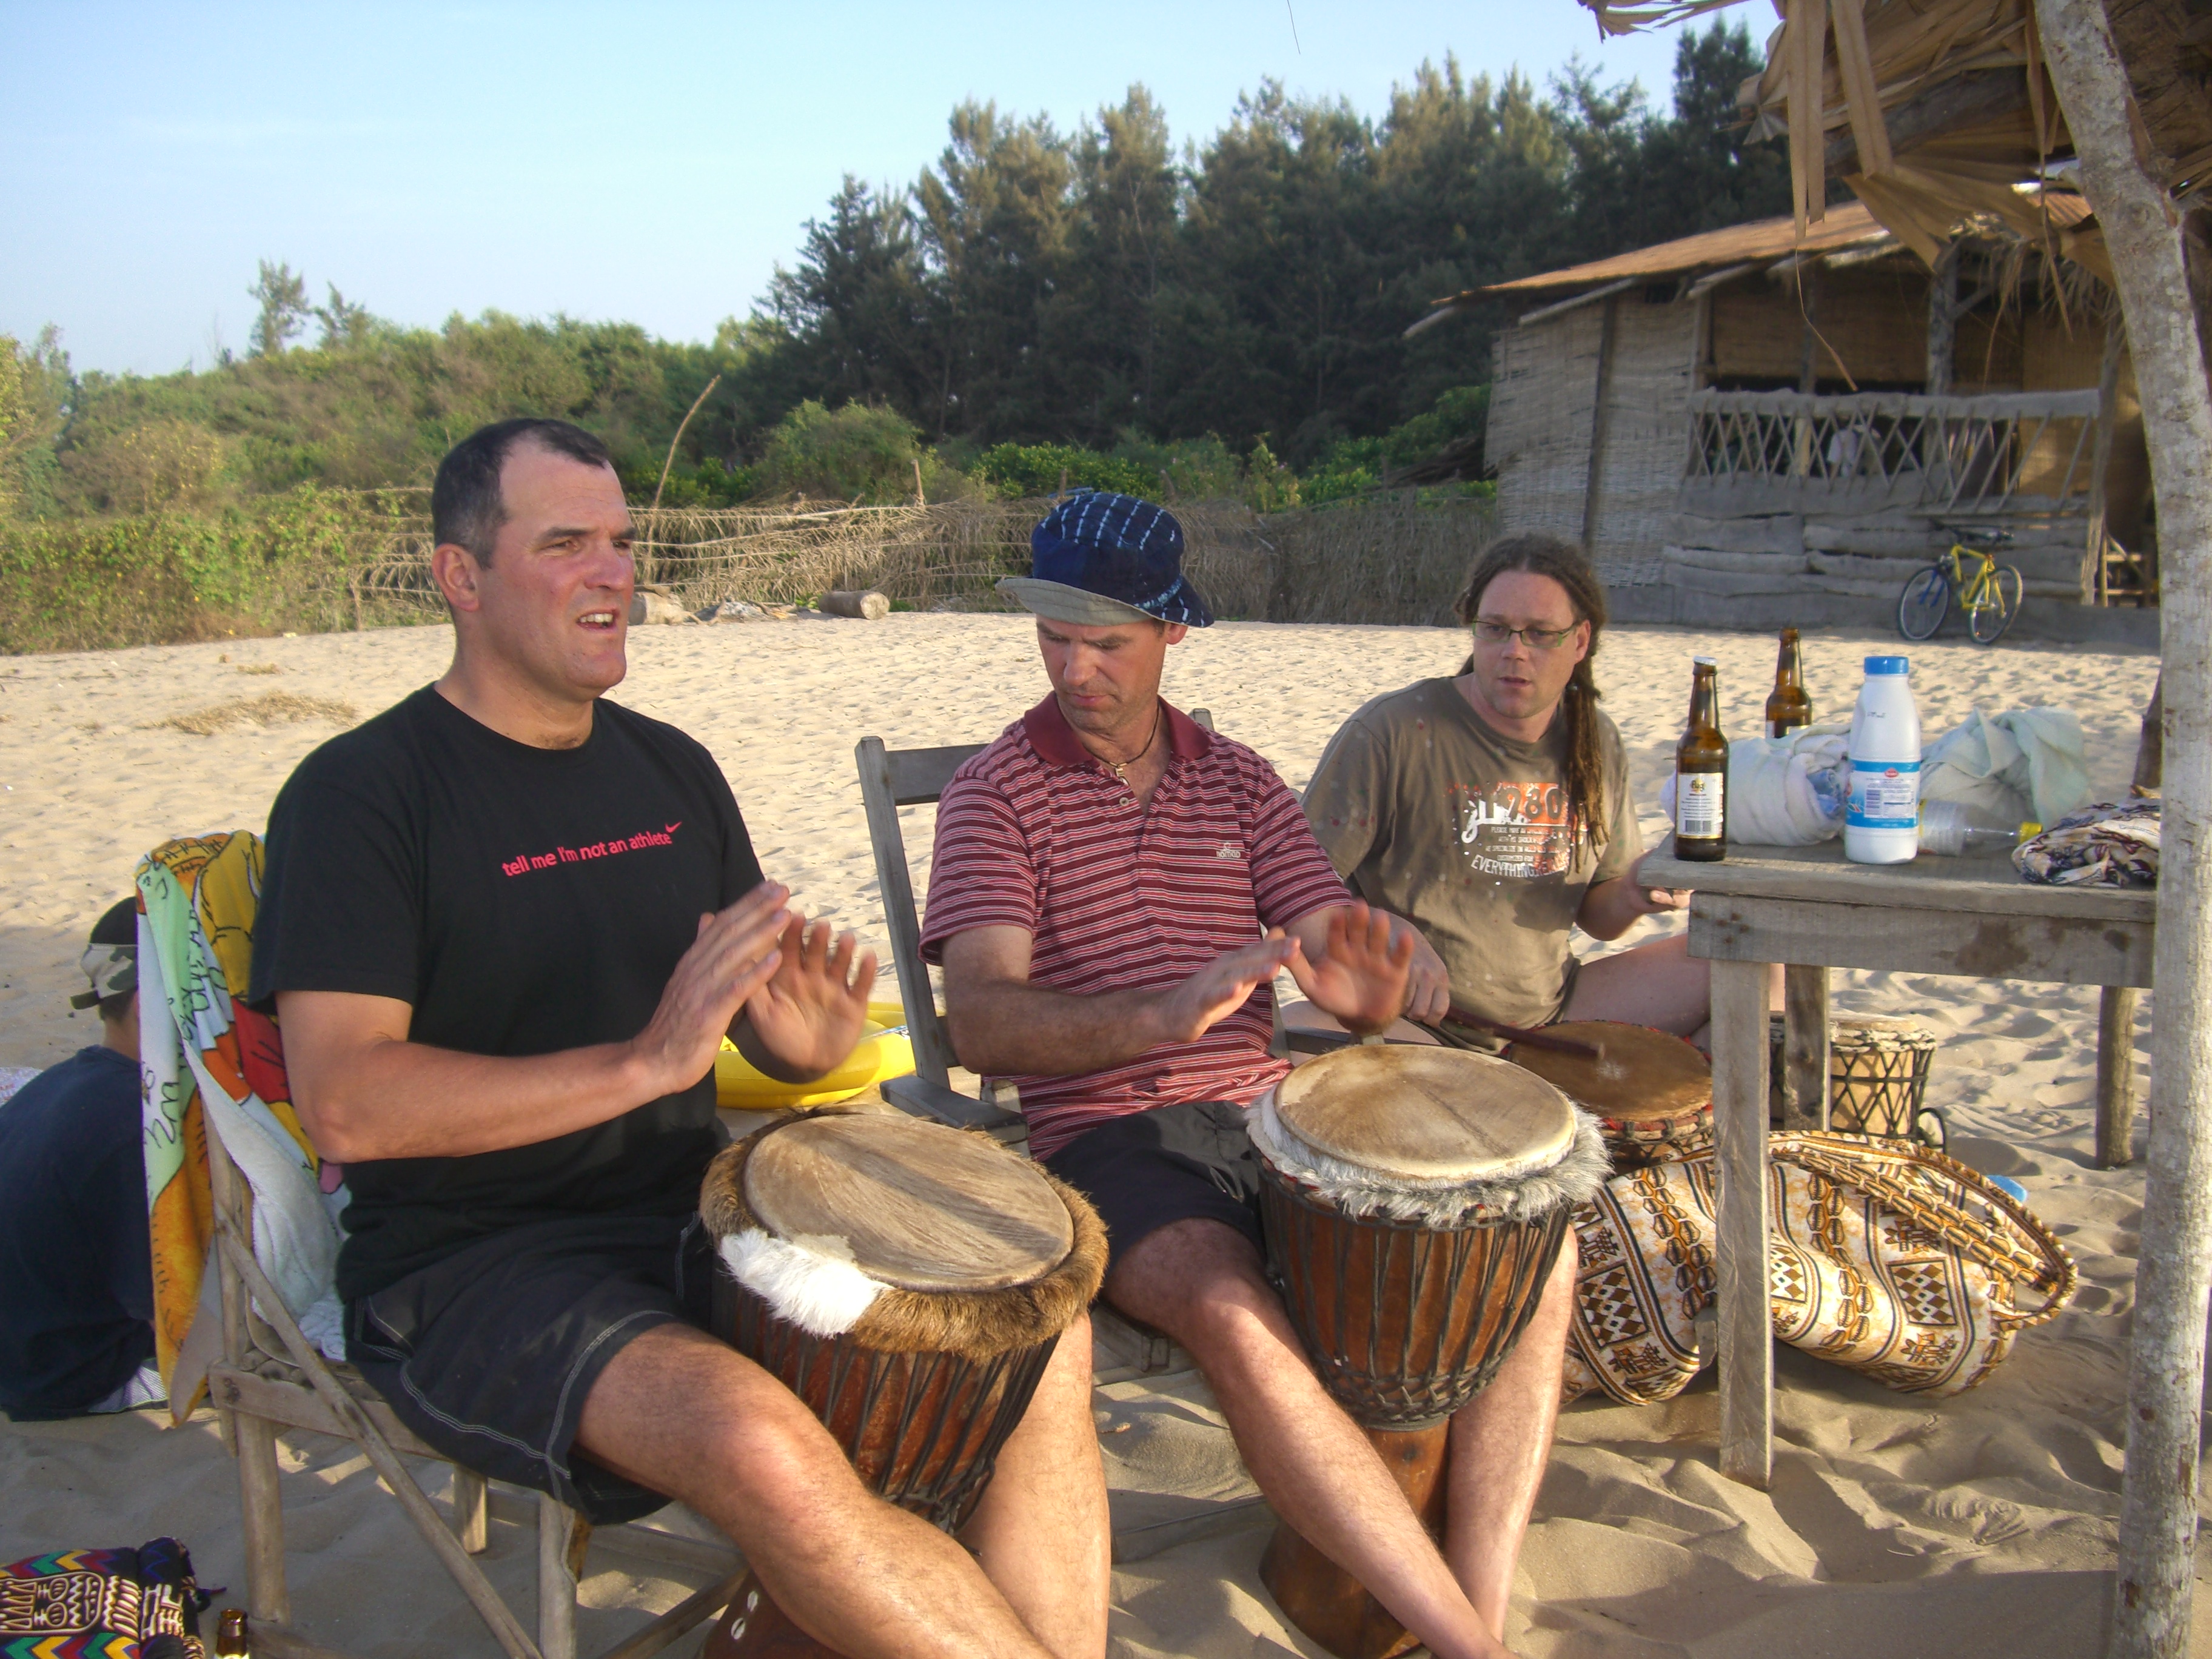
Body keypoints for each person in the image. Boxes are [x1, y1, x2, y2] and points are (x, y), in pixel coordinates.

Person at [252, 418, 1108, 1659]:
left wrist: (804, 1045)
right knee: (757, 1441)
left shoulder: (673, 771)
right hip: (473, 1265)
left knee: (1031, 1323)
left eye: (621, 542)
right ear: (462, 578)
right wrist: (649, 1063)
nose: (615, 574)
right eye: (565, 544)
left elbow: (761, 1026)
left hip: (699, 1217)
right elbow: (349, 1105)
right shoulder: (362, 794)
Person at [925, 491, 1569, 1659]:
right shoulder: (994, 793)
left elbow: (1334, 951)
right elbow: (979, 1022)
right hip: (1112, 1142)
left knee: (1529, 1237)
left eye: (1105, 641)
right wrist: (1165, 1012)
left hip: (1272, 1120)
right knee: (1229, 1304)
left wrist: (1369, 991)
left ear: (1169, 634)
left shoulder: (1238, 781)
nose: (1075, 669)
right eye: (1053, 638)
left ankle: (1475, 1592)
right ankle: (1470, 1646)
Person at [1302, 531, 1721, 1044]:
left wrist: (1636, 891)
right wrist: (1383, 932)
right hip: (1415, 1023)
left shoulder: (1596, 741)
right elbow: (1292, 894)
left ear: (1581, 641)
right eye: (1496, 629)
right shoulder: (1392, 732)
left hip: (1553, 1013)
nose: (1514, 652)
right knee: (1285, 1056)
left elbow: (1599, 919)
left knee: (1753, 970)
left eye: (1540, 634)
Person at [0, 899, 165, 1419]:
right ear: (148, 1007)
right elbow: (175, 1313)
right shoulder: (138, 1128)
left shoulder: (60, 1083)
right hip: (70, 1376)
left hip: (25, 1351)